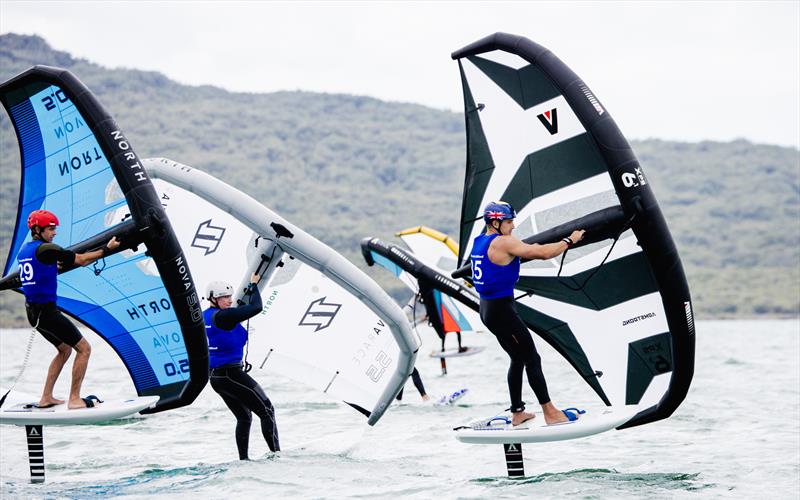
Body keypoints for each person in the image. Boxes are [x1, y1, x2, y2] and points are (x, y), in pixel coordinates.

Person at [470, 201, 585, 426]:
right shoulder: (502, 242)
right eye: (509, 222)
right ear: (495, 222)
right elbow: (541, 253)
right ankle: (550, 412)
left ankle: (518, 412)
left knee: (517, 358)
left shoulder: (479, 242)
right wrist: (569, 240)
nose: (513, 226)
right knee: (532, 357)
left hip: (488, 309)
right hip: (502, 312)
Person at [17, 209, 120, 409]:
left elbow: (42, 270)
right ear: (38, 230)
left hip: (32, 312)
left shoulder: (26, 251)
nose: (54, 233)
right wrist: (107, 249)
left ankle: (46, 397)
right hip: (47, 313)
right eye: (51, 229)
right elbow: (81, 260)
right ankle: (75, 399)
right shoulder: (47, 250)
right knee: (84, 349)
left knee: (64, 350)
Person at [205, 274, 279, 460]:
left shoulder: (206, 315)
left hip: (217, 377)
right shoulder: (223, 317)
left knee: (244, 418)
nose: (229, 300)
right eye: (224, 297)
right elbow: (256, 307)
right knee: (267, 411)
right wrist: (254, 284)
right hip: (230, 375)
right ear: (214, 299)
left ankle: (243, 460)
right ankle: (277, 456)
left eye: (230, 296)